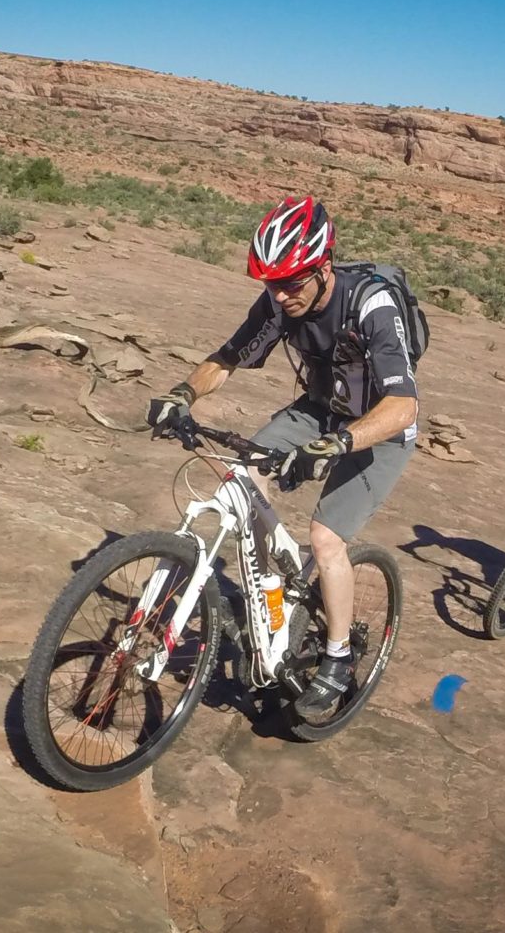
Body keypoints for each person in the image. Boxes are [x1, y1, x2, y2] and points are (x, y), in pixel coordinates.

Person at [145, 196, 418, 721]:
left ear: (323, 267)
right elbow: (228, 357)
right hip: (318, 410)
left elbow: (403, 406)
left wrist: (338, 445)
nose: (281, 294)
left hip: (379, 426)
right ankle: (271, 597)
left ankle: (337, 655)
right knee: (243, 478)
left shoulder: (372, 305)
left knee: (326, 538)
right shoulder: (276, 301)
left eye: (293, 281)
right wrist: (183, 392)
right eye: (271, 282)